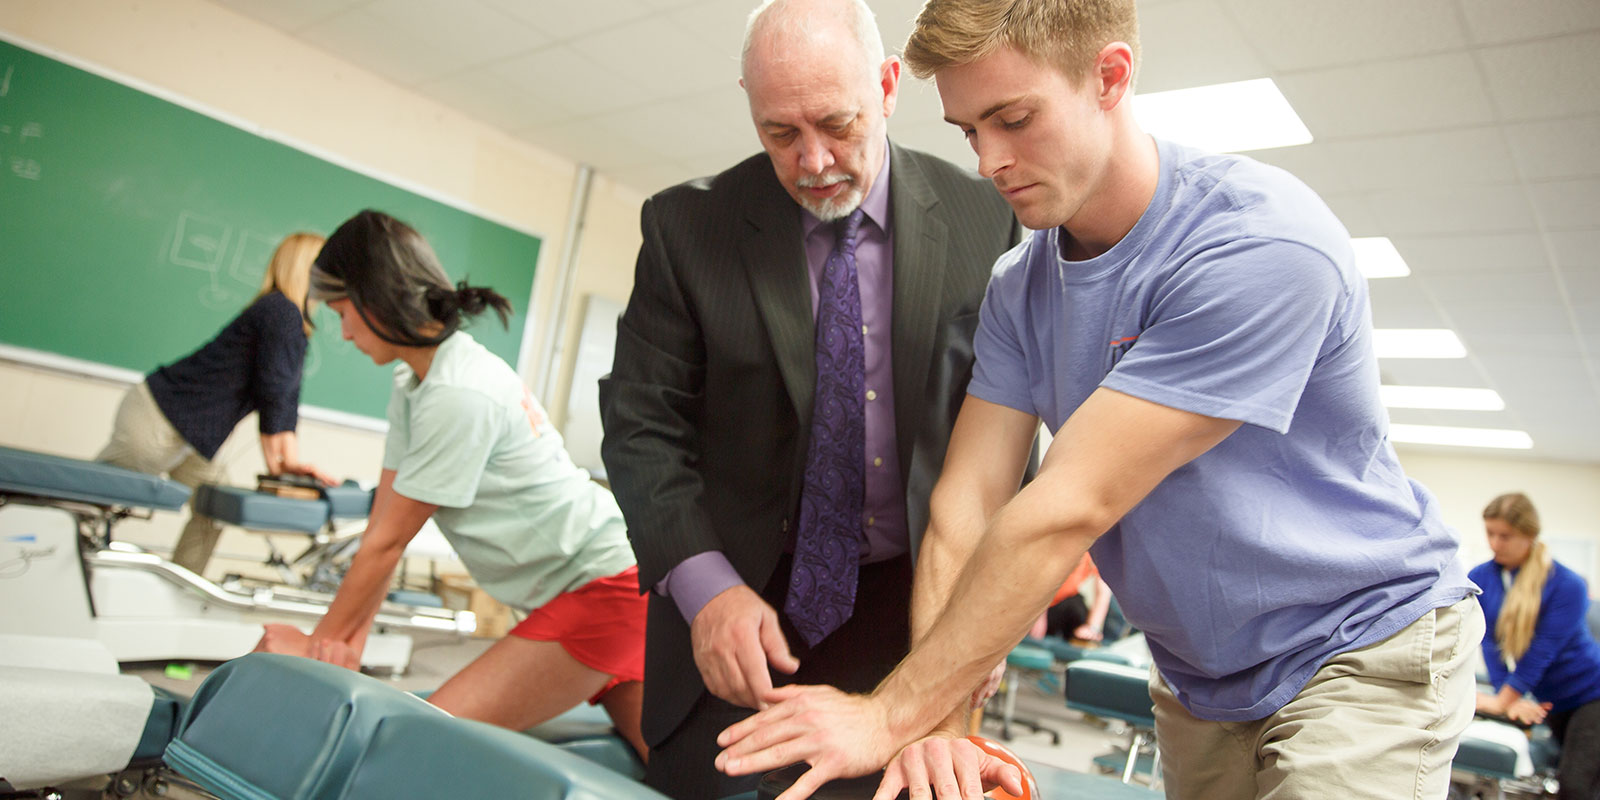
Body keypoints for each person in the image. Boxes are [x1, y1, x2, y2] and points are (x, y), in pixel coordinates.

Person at [714, 2, 1485, 799]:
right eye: (970, 131)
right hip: (1201, 677)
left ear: (1110, 76)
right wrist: (944, 731)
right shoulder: (1021, 287)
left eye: (1013, 118)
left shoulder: (1262, 245)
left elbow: (1067, 505)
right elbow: (965, 508)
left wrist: (889, 715)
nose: (988, 161)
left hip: (1359, 641)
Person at [596, 0, 1017, 794]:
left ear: (889, 86)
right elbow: (640, 424)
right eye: (780, 134)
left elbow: (1006, 438)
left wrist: (982, 618)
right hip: (733, 605)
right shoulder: (691, 227)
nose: (814, 160)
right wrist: (706, 590)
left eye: (836, 123)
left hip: (908, 614)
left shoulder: (985, 220)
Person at [253, 210, 648, 759]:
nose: (342, 331)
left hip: (603, 588)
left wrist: (310, 652)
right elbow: (383, 534)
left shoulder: (459, 392)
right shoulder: (415, 380)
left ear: (376, 299)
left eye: (343, 312)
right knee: (672, 766)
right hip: (583, 587)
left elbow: (388, 542)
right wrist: (341, 648)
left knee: (416, 744)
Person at [97, 232, 334, 575]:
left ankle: (182, 584)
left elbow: (286, 399)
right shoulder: (280, 311)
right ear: (307, 268)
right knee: (94, 499)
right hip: (160, 416)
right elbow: (274, 393)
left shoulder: (291, 320)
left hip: (193, 436)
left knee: (215, 508)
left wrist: (287, 465)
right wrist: (284, 466)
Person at [1472, 492, 1600, 800]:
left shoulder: (1567, 584)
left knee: (1576, 788)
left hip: (1592, 694)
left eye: (1505, 536)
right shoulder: (1480, 578)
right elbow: (1490, 644)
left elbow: (1543, 650)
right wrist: (1508, 698)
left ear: (1529, 535)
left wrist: (1504, 700)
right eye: (1490, 533)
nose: (1495, 543)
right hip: (1552, 701)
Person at [1028, 553, 1112, 643]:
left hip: (1064, 603)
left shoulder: (1095, 555)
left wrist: (1092, 628)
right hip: (1039, 602)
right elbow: (1042, 578)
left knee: (1077, 606)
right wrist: (1039, 614)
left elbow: (1103, 594)